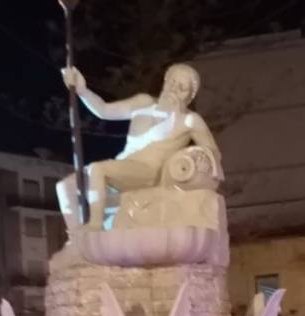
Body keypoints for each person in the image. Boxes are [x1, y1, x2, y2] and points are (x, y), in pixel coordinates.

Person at [56, 63, 222, 231]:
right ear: (165, 81)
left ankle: (96, 226)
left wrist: (202, 159)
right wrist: (82, 90)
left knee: (97, 169)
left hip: (148, 173)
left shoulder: (189, 120)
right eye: (172, 81)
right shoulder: (143, 103)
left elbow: (212, 151)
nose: (174, 89)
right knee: (65, 187)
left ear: (190, 96)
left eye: (182, 87)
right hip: (122, 166)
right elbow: (103, 110)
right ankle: (77, 241)